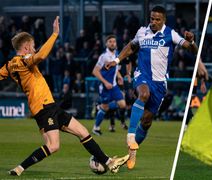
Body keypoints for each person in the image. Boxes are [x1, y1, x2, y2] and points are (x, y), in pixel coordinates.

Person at [0, 16, 129, 176]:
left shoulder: (8, 65)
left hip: (49, 105)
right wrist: (54, 34)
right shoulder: (23, 61)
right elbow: (40, 56)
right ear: (26, 47)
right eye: (33, 46)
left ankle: (110, 162)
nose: (34, 49)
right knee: (53, 146)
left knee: (82, 132)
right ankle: (19, 169)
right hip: (43, 107)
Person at [106, 6, 200, 170]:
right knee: (143, 94)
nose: (154, 22)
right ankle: (130, 136)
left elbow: (193, 50)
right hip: (142, 75)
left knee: (147, 120)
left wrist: (192, 41)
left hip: (160, 83)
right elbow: (131, 46)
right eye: (152, 19)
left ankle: (131, 151)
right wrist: (116, 61)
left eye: (157, 20)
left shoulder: (171, 34)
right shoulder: (142, 31)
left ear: (163, 20)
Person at [92, 34, 127, 136]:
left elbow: (115, 68)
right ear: (106, 44)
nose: (112, 43)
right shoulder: (103, 56)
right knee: (106, 107)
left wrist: (119, 76)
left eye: (114, 41)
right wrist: (105, 82)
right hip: (105, 87)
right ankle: (96, 128)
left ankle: (100, 107)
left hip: (114, 86)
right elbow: (95, 71)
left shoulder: (117, 55)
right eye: (110, 41)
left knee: (122, 104)